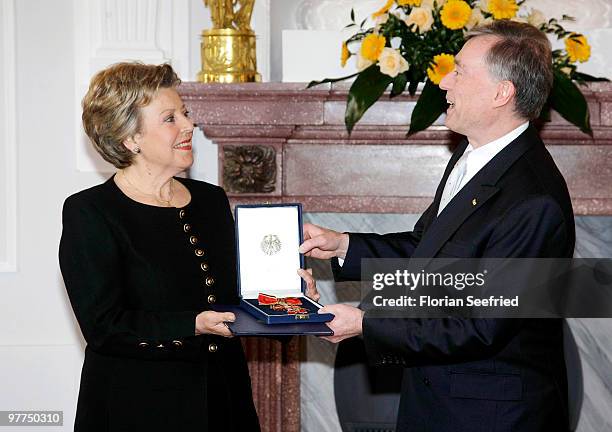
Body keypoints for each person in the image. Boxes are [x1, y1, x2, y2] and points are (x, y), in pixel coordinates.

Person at [300, 21, 575, 432]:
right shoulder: (474, 157)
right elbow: (428, 252)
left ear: (502, 93)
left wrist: (364, 323)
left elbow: (480, 326)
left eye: (460, 71)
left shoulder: (533, 199)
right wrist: (342, 245)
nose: (443, 81)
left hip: (492, 418)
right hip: (441, 403)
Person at [60, 62, 317, 431]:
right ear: (129, 138)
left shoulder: (211, 200)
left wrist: (291, 298)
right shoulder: (91, 212)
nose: (189, 125)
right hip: (139, 409)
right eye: (170, 118)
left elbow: (238, 296)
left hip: (226, 403)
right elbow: (104, 325)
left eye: (186, 113)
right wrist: (193, 324)